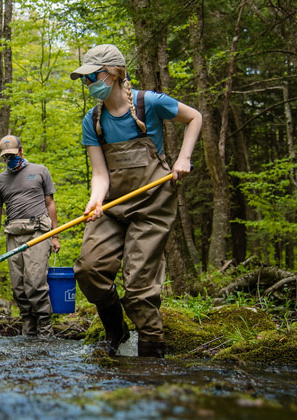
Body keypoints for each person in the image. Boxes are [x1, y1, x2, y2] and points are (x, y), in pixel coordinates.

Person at [70, 44, 201, 357]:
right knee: (89, 269)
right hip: (113, 207)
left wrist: (184, 158)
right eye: (85, 80)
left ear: (115, 74)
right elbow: (100, 175)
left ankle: (151, 353)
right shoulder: (93, 121)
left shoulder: (149, 103)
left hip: (152, 207)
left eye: (93, 77)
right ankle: (116, 330)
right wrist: (95, 201)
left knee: (138, 285)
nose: (89, 85)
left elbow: (194, 117)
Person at [0, 135, 60, 336]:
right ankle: (28, 332)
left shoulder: (40, 171)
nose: (10, 159)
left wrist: (55, 235)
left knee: (35, 283)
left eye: (12, 155)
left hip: (38, 232)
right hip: (13, 234)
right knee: (18, 287)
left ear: (21, 151)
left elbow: (50, 204)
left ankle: (45, 331)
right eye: (6, 157)